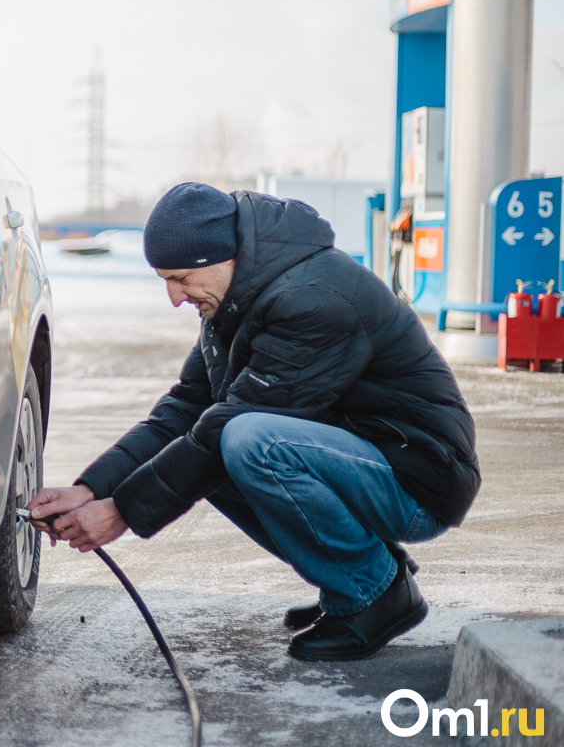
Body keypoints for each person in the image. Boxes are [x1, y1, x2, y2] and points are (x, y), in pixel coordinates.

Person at [27, 182, 480, 661]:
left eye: (179, 278)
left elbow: (234, 424)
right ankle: (351, 576)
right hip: (361, 458)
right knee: (208, 448)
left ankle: (375, 593)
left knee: (249, 440)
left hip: (418, 479)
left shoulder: (310, 299)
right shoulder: (236, 299)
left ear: (221, 257)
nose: (173, 297)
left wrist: (121, 512)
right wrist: (93, 489)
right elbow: (185, 408)